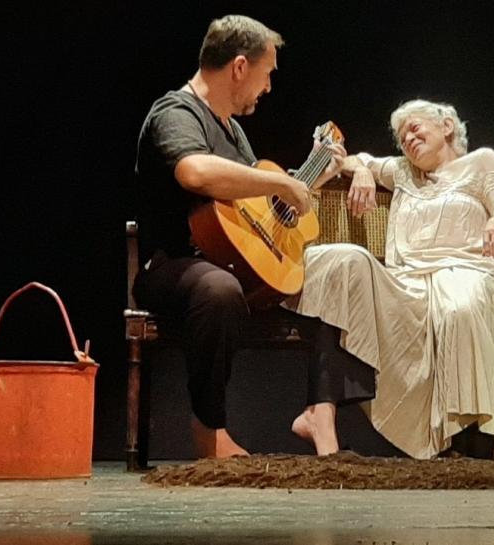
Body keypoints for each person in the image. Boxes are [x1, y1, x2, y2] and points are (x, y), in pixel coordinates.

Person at [133, 15, 374, 458]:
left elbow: (256, 210)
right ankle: (210, 430)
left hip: (232, 264)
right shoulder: (176, 113)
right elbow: (194, 171)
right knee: (218, 290)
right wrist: (281, 182)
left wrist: (313, 176)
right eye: (267, 74)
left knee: (338, 268)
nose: (268, 88)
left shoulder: (233, 131)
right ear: (240, 67)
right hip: (173, 266)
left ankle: (320, 412)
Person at [283, 99, 494, 463]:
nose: (408, 140)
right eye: (402, 138)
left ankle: (468, 435)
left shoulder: (482, 162)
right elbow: (350, 159)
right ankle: (319, 413)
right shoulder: (401, 171)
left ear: (446, 126)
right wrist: (361, 170)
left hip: (470, 272)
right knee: (345, 260)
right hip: (409, 287)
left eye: (414, 128)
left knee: (459, 304)